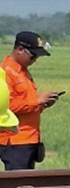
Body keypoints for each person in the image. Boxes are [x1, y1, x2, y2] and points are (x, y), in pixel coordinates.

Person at [0, 32, 58, 171]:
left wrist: (43, 104)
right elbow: (5, 108)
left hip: (30, 139)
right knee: (18, 187)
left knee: (27, 185)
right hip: (15, 141)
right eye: (33, 56)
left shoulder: (23, 72)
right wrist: (37, 101)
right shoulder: (5, 72)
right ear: (20, 50)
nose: (35, 60)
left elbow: (27, 104)